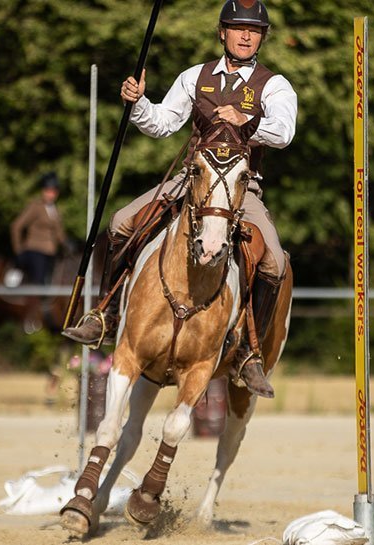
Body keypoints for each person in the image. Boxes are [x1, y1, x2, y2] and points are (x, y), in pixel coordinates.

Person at [63, 0, 297, 398]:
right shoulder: (195, 77)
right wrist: (137, 103)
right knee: (121, 220)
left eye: (253, 30)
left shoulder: (274, 86)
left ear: (262, 37)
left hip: (242, 188)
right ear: (222, 32)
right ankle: (108, 315)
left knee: (274, 260)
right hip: (192, 180)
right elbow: (162, 124)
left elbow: (284, 131)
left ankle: (248, 353)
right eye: (237, 28)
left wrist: (248, 121)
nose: (245, 36)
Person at [11, 172, 67, 286]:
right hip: (36, 250)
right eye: (48, 191)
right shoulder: (35, 206)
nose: (51, 194)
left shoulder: (55, 210)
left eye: (54, 191)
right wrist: (18, 249)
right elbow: (16, 226)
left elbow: (59, 233)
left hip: (51, 252)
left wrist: (68, 244)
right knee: (39, 281)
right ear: (43, 191)